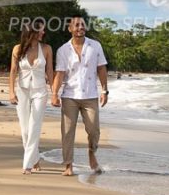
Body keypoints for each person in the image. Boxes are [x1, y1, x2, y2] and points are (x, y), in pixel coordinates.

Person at [50, 16, 108, 176]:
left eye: (82, 25)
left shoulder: (95, 46)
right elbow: (60, 73)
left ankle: (91, 154)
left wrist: (104, 90)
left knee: (94, 130)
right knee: (67, 132)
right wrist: (54, 94)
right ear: (70, 29)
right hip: (70, 95)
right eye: (76, 25)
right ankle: (68, 165)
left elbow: (101, 69)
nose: (80, 27)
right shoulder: (63, 50)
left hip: (90, 95)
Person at [9, 19, 53, 174]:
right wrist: (11, 92)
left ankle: (27, 164)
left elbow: (49, 71)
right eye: (41, 30)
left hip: (40, 91)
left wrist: (54, 92)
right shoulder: (17, 49)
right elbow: (13, 71)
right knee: (25, 129)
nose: (43, 32)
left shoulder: (47, 49)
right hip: (22, 90)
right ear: (32, 32)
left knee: (35, 126)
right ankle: (35, 159)